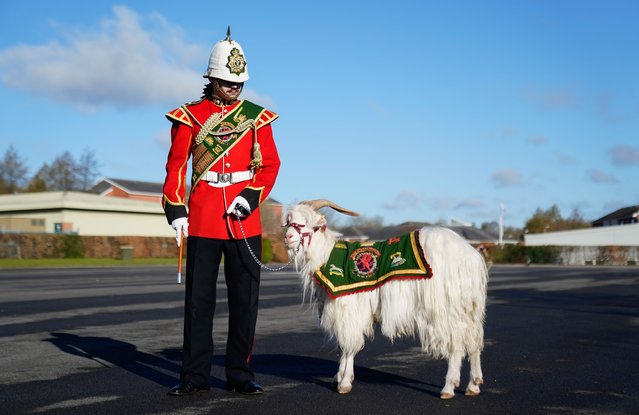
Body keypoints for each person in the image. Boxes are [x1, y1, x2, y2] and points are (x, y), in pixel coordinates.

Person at [162, 27, 280, 396]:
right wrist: (176, 209)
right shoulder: (191, 117)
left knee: (245, 304)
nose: (234, 87)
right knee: (199, 305)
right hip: (202, 219)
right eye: (228, 81)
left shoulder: (257, 118)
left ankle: (239, 375)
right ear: (212, 78)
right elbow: (177, 167)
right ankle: (194, 377)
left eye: (239, 82)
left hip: (244, 220)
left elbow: (270, 165)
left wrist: (249, 198)